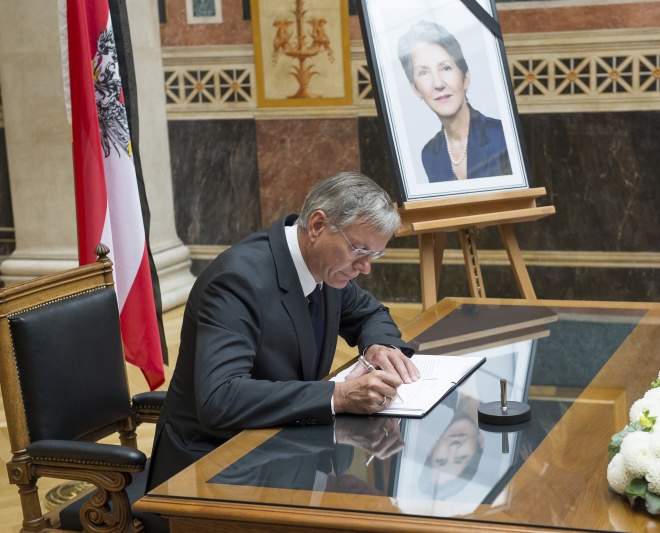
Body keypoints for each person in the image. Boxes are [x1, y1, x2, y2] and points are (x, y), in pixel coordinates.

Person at [147, 172, 420, 490]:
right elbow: (220, 399)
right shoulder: (237, 282)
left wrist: (380, 346)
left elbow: (371, 314)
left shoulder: (327, 266)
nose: (366, 267)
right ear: (318, 226)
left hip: (285, 450)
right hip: (215, 468)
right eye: (360, 250)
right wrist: (339, 395)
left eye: (374, 254)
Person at [397, 20, 512, 183]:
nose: (438, 84)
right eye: (424, 72)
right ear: (415, 89)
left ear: (465, 78)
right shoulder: (429, 154)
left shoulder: (503, 135)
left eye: (445, 68)